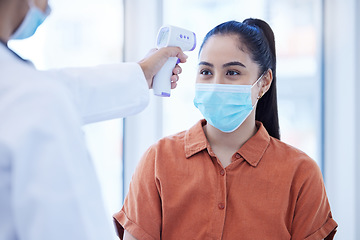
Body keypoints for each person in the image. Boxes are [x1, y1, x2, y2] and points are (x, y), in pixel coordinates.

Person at [114, 19, 338, 240]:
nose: (215, 84)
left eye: (232, 73)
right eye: (206, 72)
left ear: (264, 82)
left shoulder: (301, 173)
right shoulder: (158, 160)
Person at [0, 0, 188, 239]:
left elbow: (61, 89)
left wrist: (140, 74)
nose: (46, 6)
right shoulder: (35, 99)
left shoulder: (27, 91)